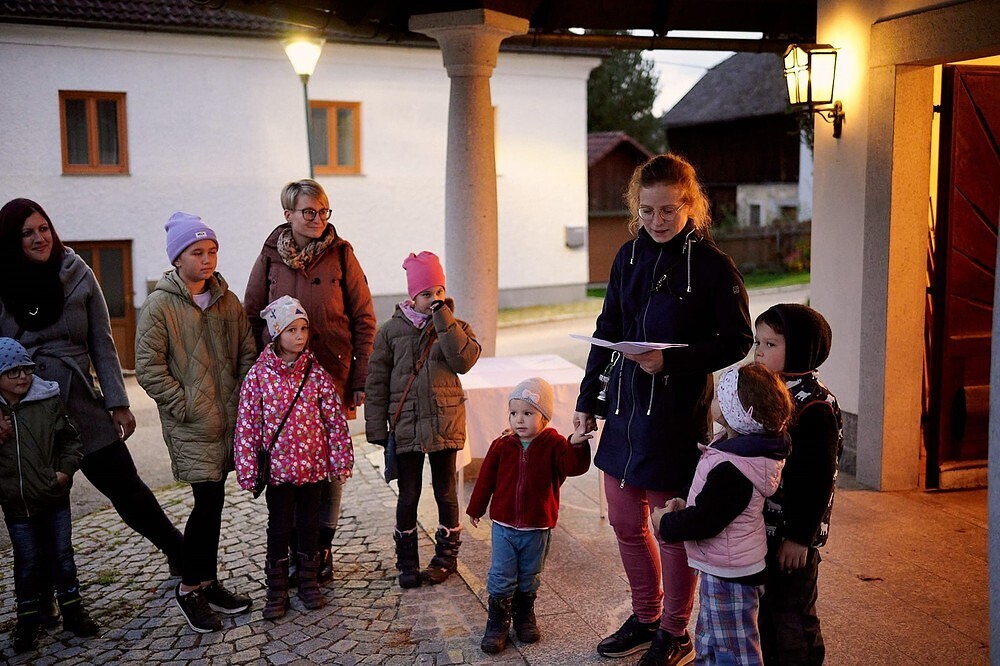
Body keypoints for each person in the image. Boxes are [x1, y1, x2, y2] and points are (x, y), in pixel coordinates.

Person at [573, 153, 753, 666]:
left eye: (668, 211)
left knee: (669, 527)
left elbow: (738, 340)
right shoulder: (628, 255)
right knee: (626, 522)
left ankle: (675, 630)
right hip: (626, 412)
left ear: (691, 205)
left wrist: (673, 362)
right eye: (647, 211)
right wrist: (588, 400)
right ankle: (646, 615)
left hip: (676, 414)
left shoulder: (713, 266)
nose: (657, 221)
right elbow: (607, 328)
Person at [0, 198, 185, 610]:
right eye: (27, 233)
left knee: (126, 486)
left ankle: (179, 551)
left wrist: (118, 402)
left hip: (80, 398)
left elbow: (102, 339)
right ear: (13, 240)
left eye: (43, 228)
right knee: (40, 510)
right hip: (25, 412)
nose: (38, 238)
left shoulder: (76, 272)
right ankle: (46, 601)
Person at [244, 178, 376, 583]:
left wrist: (360, 378)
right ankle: (289, 553)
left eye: (323, 211)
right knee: (288, 465)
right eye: (309, 212)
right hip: (281, 382)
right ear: (288, 215)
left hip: (330, 377)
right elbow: (251, 315)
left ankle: (321, 547)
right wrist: (257, 375)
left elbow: (364, 319)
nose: (318, 219)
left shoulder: (341, 254)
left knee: (329, 464)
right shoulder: (270, 256)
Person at [135, 212, 257, 634]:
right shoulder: (159, 305)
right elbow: (148, 368)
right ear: (177, 258)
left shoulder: (227, 299)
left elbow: (247, 350)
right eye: (197, 252)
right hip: (192, 424)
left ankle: (207, 582)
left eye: (212, 251)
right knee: (206, 504)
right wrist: (185, 404)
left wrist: (241, 399)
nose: (207, 260)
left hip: (228, 421)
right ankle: (189, 588)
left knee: (215, 503)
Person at [654, 364, 794, 665]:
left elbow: (706, 520)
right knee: (712, 638)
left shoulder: (736, 469)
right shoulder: (735, 451)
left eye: (718, 397)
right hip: (724, 566)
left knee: (735, 650)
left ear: (735, 412)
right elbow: (709, 501)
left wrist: (664, 522)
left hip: (732, 574)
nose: (710, 402)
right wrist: (682, 501)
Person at [234, 295, 354, 620]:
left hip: (313, 469)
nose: (299, 336)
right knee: (280, 527)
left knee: (309, 525)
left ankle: (308, 581)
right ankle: (276, 589)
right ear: (275, 333)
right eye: (290, 330)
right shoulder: (258, 377)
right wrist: (246, 469)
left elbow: (334, 420)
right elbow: (247, 426)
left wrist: (341, 459)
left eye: (303, 329)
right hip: (279, 473)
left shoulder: (315, 374)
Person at [365, 251, 481, 588]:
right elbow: (376, 381)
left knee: (445, 492)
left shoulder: (455, 327)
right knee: (408, 494)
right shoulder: (390, 332)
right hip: (406, 425)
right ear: (412, 296)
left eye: (439, 292)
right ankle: (407, 562)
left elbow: (463, 361)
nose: (434, 299)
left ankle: (446, 558)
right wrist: (376, 428)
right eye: (427, 294)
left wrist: (444, 320)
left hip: (444, 422)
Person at [466, 377, 593, 654]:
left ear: (544, 417)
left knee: (529, 576)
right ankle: (497, 622)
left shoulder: (554, 444)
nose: (518, 420)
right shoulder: (503, 444)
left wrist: (577, 443)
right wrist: (477, 508)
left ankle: (524, 615)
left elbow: (573, 466)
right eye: (513, 413)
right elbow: (486, 477)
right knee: (501, 575)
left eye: (527, 413)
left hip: (537, 526)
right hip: (503, 525)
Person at [752, 304, 843, 665]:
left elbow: (817, 479)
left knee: (793, 618)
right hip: (764, 528)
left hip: (792, 536)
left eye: (770, 344)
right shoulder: (771, 390)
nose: (759, 351)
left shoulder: (815, 404)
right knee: (767, 613)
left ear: (802, 348)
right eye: (758, 342)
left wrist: (799, 536)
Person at [0, 337, 98, 653]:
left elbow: (72, 441)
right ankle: (28, 620)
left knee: (62, 556)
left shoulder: (47, 400)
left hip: (55, 497)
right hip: (17, 505)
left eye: (26, 370)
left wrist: (65, 472)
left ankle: (73, 611)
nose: (22, 378)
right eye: (12, 373)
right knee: (27, 562)